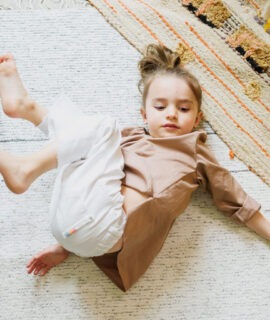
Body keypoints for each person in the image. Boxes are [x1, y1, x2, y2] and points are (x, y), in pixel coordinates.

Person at [0, 44, 269, 291]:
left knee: (103, 128)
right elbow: (91, 174)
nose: (172, 114)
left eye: (184, 108)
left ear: (198, 119)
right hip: (72, 223)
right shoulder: (128, 138)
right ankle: (27, 110)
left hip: (104, 232)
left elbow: (239, 202)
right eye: (160, 106)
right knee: (89, 135)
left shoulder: (195, 153)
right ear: (144, 114)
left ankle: (28, 127)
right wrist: (66, 246)